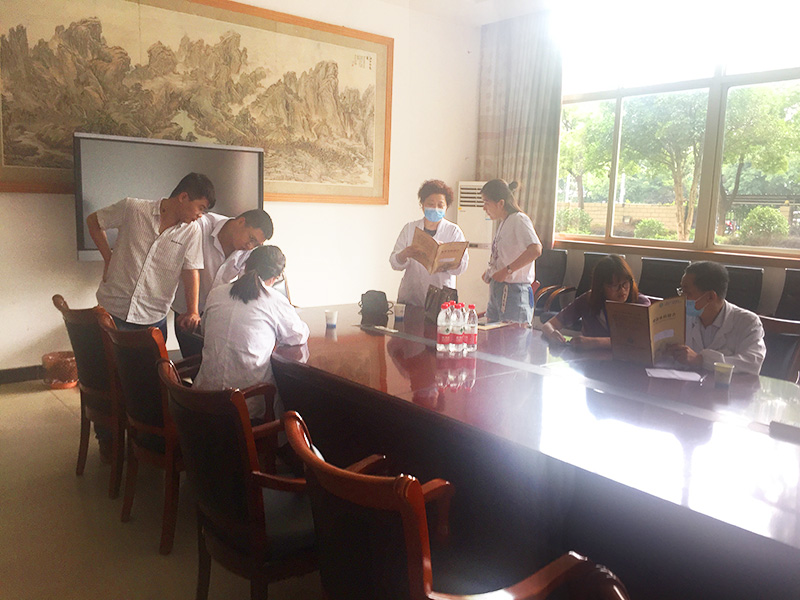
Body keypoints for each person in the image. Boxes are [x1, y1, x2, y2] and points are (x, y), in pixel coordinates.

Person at [87, 172, 215, 341]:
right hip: (113, 309)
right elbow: (94, 221)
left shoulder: (192, 231)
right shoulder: (132, 208)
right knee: (106, 359)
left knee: (152, 360)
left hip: (153, 319)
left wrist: (193, 311)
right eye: (201, 208)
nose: (201, 215)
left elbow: (191, 270)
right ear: (183, 197)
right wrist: (108, 258)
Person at [193, 245, 309, 422]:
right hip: (245, 404)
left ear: (245, 265)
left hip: (203, 398)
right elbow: (297, 336)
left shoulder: (216, 293)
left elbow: (205, 329)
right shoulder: (274, 299)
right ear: (277, 277)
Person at [172, 208, 274, 357]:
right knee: (192, 360)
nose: (250, 246)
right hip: (185, 310)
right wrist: (192, 311)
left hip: (216, 315)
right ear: (241, 222)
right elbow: (186, 266)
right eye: (251, 239)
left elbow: (244, 287)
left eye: (256, 244)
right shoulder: (201, 226)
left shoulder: (248, 252)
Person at [670, 261, 766, 375]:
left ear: (710, 297)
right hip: (685, 384)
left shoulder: (747, 322)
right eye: (681, 291)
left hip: (726, 386)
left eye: (687, 293)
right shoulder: (681, 316)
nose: (681, 298)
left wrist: (701, 360)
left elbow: (752, 364)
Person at [542, 255, 651, 350]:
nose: (622, 290)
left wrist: (595, 342)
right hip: (589, 361)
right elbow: (549, 325)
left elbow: (639, 341)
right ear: (601, 287)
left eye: (625, 284)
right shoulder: (587, 300)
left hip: (627, 362)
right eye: (614, 286)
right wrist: (552, 334)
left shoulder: (641, 304)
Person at [389, 179, 469, 307]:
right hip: (412, 295)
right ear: (422, 205)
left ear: (446, 207)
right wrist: (404, 254)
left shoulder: (453, 231)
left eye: (440, 205)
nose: (435, 209)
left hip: (441, 298)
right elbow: (394, 263)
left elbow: (462, 267)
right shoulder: (410, 228)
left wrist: (446, 259)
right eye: (430, 204)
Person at [481, 179, 542, 323]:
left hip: (514, 291)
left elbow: (535, 250)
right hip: (498, 289)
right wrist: (491, 272)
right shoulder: (504, 222)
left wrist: (507, 270)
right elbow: (504, 255)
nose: (484, 208)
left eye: (486, 202)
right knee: (493, 334)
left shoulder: (519, 220)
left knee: (513, 336)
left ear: (500, 203)